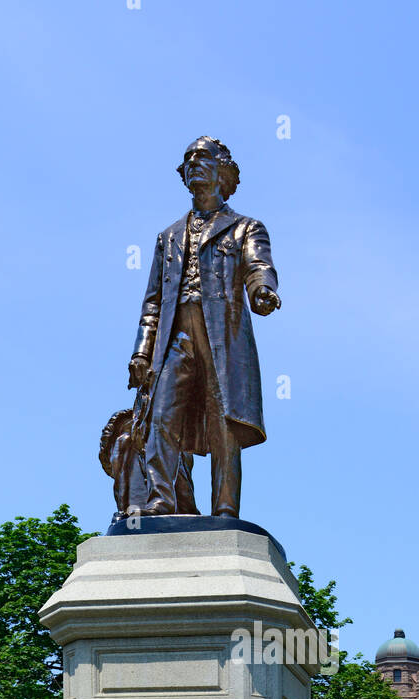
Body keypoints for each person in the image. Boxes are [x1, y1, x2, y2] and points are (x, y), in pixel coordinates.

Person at [128, 136, 280, 517]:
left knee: (223, 422)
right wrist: (142, 351)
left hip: (222, 338)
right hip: (175, 337)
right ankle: (160, 499)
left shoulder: (246, 227)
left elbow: (258, 267)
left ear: (222, 171)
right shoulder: (169, 237)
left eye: (203, 157)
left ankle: (225, 508)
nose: (194, 162)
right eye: (188, 159)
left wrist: (263, 291)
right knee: (162, 415)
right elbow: (152, 300)